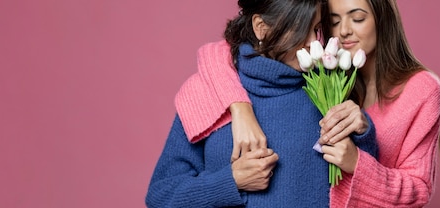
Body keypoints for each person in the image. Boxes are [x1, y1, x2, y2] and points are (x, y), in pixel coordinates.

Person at [174, 0, 440, 207]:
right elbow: (222, 49)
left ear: (383, 19)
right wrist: (239, 106)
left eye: (358, 17)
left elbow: (418, 191)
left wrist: (357, 162)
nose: (344, 32)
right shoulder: (322, 75)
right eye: (332, 22)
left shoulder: (420, 90)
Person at [145, 0, 378, 207]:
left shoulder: (328, 91)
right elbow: (161, 196)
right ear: (261, 27)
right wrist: (231, 182)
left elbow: (362, 189)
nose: (310, 42)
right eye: (299, 29)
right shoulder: (207, 93)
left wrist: (362, 132)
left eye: (316, 29)